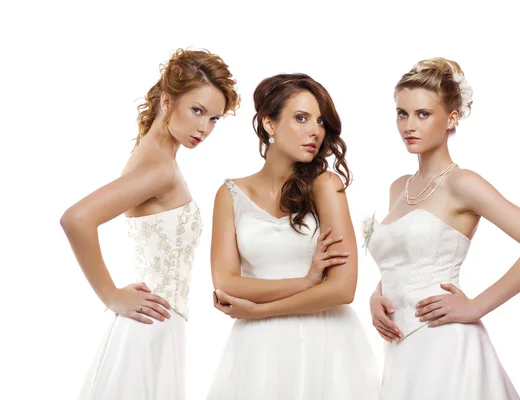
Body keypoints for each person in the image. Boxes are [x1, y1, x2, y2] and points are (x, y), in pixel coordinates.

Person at [366, 57, 520, 399]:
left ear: (452, 118)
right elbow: (403, 257)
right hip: (400, 349)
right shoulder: (398, 187)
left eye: (423, 114)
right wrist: (376, 296)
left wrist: (476, 306)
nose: (409, 125)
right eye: (402, 113)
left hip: (445, 344)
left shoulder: (462, 183)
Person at [60, 48, 240, 400]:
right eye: (197, 111)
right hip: (150, 325)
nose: (204, 127)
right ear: (168, 101)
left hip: (156, 324)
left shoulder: (155, 154)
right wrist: (111, 295)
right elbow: (76, 219)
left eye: (215, 119)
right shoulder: (158, 167)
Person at [208, 73, 380, 399]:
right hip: (257, 350)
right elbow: (227, 284)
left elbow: (343, 289)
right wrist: (307, 281)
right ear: (269, 124)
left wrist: (258, 310)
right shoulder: (229, 194)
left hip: (325, 343)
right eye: (301, 118)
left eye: (320, 121)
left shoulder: (326, 186)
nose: (315, 130)